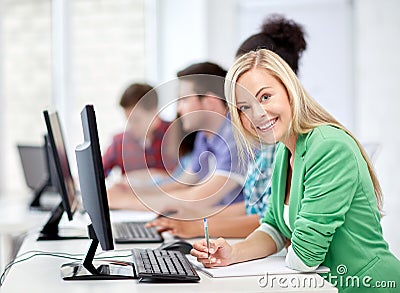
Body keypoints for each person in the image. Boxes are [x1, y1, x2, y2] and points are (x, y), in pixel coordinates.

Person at [190, 49, 400, 292]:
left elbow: (306, 256)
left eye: (265, 97)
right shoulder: (285, 150)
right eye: (244, 107)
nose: (257, 113)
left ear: (290, 91)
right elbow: (274, 227)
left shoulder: (328, 146)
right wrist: (234, 253)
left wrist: (289, 248)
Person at [147, 15, 306, 237]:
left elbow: (277, 226)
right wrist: (195, 219)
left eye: (264, 95)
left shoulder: (306, 148)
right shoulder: (269, 145)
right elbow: (261, 211)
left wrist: (195, 225)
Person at [107, 62, 247, 215]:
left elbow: (195, 198)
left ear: (210, 102)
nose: (178, 109)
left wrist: (123, 201)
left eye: (184, 100)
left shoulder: (235, 140)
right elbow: (181, 184)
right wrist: (132, 192)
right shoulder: (205, 136)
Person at [102, 83, 176, 178]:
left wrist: (155, 176)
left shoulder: (177, 134)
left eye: (136, 120)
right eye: (128, 120)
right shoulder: (120, 142)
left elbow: (191, 176)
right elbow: (97, 174)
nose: (131, 126)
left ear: (154, 111)